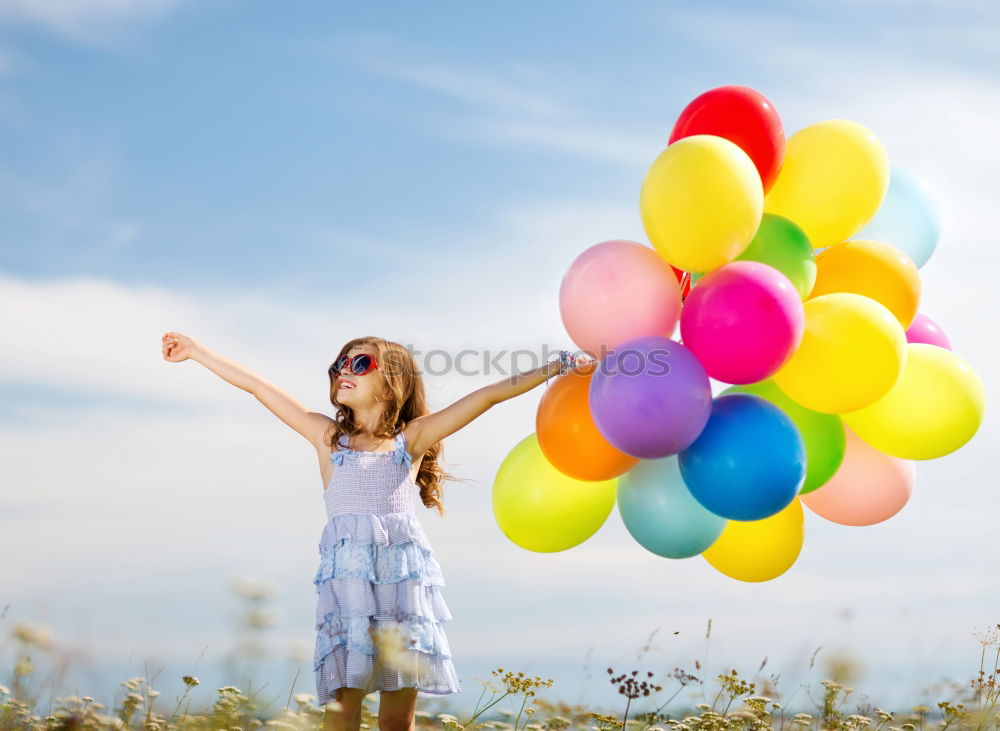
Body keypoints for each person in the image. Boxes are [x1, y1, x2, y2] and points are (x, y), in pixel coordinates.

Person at [160, 332, 587, 731]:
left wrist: (558, 365)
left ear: (390, 386)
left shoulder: (411, 440)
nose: (344, 369)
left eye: (360, 363)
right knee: (343, 706)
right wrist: (196, 351)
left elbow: (490, 396)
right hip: (349, 591)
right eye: (341, 363)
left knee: (396, 721)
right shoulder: (329, 439)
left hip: (401, 589)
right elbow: (258, 386)